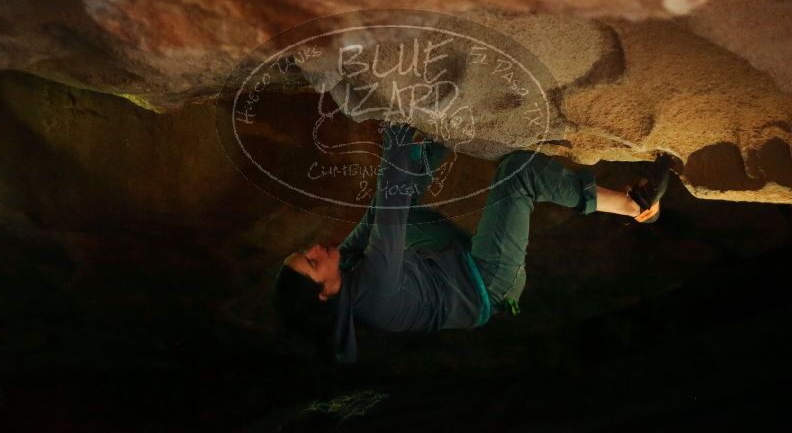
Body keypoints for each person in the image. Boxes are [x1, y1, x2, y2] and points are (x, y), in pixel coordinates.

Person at [272, 123, 672, 363]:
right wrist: (395, 128)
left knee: (395, 207)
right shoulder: (372, 294)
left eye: (302, 254)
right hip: (488, 284)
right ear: (326, 292)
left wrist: (446, 136)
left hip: (443, 262)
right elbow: (391, 209)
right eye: (310, 263)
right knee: (518, 174)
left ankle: (454, 132)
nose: (313, 250)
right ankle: (636, 206)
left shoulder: (350, 272)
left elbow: (383, 210)